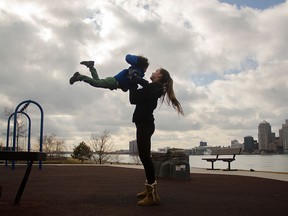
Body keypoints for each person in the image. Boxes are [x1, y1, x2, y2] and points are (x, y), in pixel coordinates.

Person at [129, 68, 184, 206]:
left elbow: (136, 94)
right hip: (144, 124)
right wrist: (135, 81)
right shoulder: (153, 87)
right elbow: (138, 95)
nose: (153, 72)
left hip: (145, 125)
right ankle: (149, 189)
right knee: (145, 157)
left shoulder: (154, 87)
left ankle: (152, 195)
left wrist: (132, 80)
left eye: (156, 71)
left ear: (160, 75)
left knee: (145, 158)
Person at [69, 54, 149, 92]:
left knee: (97, 81)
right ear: (142, 66)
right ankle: (79, 76)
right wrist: (138, 60)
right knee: (96, 83)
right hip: (114, 82)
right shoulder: (136, 71)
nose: (146, 70)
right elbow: (128, 58)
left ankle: (91, 66)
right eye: (146, 68)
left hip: (114, 82)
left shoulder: (138, 74)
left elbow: (132, 83)